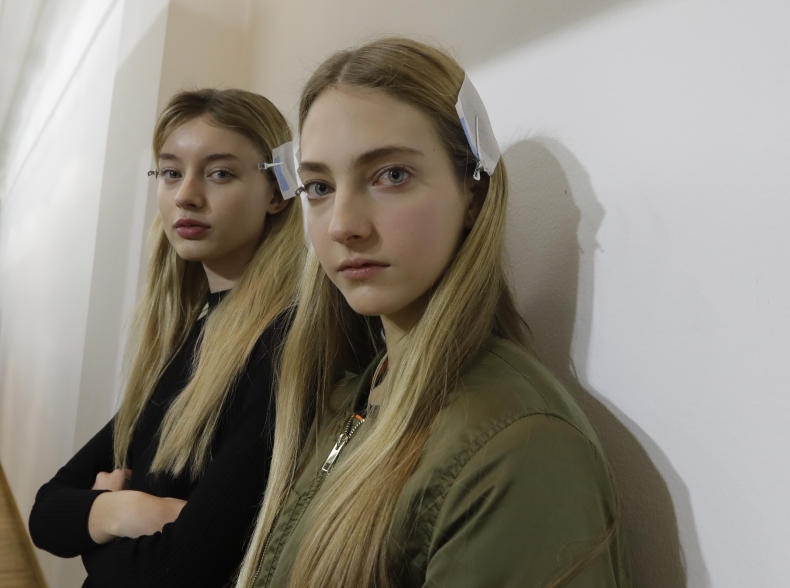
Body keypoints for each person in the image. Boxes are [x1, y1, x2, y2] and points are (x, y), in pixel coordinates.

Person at [236, 38, 627, 587]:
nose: (343, 224)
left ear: (472, 192)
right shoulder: (360, 390)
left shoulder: (519, 451)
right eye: (319, 186)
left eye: (391, 175)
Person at [29, 88, 305, 587]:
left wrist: (94, 522)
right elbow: (47, 512)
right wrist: (125, 511)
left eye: (219, 173)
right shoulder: (191, 338)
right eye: (171, 172)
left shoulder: (283, 346)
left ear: (278, 193)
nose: (186, 196)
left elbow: (173, 570)